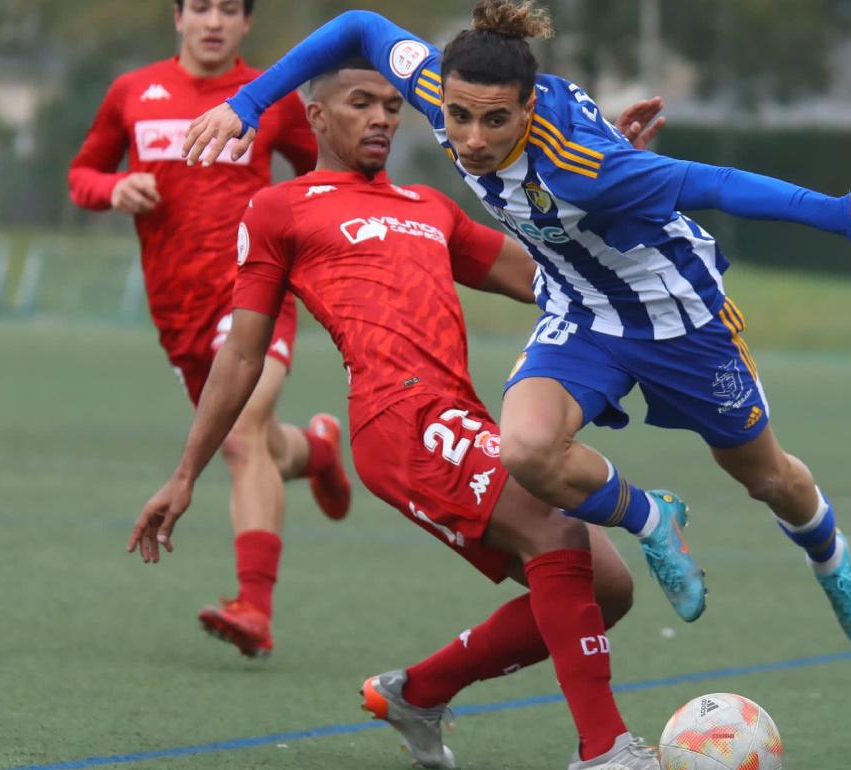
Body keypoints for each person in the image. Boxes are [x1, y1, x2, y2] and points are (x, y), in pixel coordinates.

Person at [182, 0, 851, 652]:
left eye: (495, 120)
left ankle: (834, 561)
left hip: (677, 316)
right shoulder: (446, 89)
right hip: (581, 309)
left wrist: (838, 214)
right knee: (526, 448)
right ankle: (651, 516)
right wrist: (248, 106)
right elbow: (356, 28)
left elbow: (715, 183)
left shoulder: (586, 170)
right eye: (457, 117)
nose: (469, 138)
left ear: (529, 108)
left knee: (765, 476)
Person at [129, 59, 667, 770]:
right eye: (361, 103)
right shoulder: (281, 209)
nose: (382, 116)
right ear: (318, 117)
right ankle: (604, 751)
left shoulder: (429, 207)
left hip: (457, 415)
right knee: (556, 524)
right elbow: (240, 357)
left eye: (391, 104)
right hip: (399, 422)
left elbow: (551, 278)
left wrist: (606, 182)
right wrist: (186, 473)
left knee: (610, 590)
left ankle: (419, 691)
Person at [68, 0, 354, 659]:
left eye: (230, 9)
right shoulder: (132, 92)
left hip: (253, 290)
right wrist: (111, 190)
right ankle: (314, 452)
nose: (214, 20)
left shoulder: (269, 99)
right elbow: (83, 172)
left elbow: (325, 173)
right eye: (201, 7)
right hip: (177, 311)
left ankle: (254, 606)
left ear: (247, 23)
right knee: (249, 443)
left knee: (242, 435)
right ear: (178, 16)